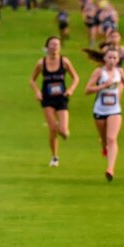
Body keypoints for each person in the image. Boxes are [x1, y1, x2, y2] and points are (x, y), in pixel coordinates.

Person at [29, 36, 80, 167]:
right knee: (52, 129)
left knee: (63, 131)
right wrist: (37, 92)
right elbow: (32, 80)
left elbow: (76, 78)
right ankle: (55, 157)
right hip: (47, 98)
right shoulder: (41, 63)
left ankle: (63, 131)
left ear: (60, 47)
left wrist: (71, 90)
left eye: (57, 44)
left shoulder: (64, 61)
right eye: (52, 44)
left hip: (61, 98)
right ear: (47, 47)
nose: (54, 47)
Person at [85, 49, 124, 181]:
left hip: (114, 110)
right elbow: (87, 89)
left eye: (115, 58)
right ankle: (104, 146)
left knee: (112, 139)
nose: (112, 60)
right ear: (104, 58)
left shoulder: (120, 71)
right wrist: (103, 85)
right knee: (104, 139)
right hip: (99, 110)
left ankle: (110, 169)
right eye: (110, 57)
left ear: (118, 60)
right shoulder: (99, 72)